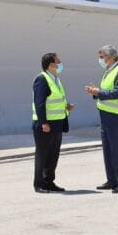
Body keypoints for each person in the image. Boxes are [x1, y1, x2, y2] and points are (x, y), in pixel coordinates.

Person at [85, 43, 118, 192]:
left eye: (102, 57)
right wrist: (95, 92)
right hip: (105, 115)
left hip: (115, 116)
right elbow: (106, 92)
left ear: (111, 57)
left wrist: (98, 92)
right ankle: (111, 181)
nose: (100, 60)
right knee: (107, 150)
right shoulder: (108, 71)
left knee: (115, 149)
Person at [32, 52, 74, 193]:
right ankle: (38, 184)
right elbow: (40, 103)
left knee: (53, 155)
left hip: (57, 124)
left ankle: (49, 182)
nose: (60, 64)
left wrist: (67, 109)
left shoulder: (56, 80)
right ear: (51, 64)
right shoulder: (42, 79)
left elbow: (55, 103)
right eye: (58, 61)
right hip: (46, 125)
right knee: (42, 154)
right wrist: (43, 122)